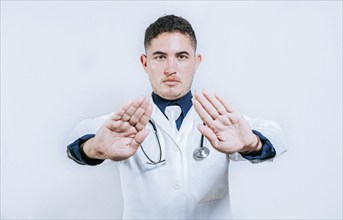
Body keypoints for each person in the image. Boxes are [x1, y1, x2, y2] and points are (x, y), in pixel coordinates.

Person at [66, 14, 286, 219]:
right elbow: (77, 138)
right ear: (145, 63)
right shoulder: (126, 122)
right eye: (160, 57)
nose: (170, 68)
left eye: (181, 56)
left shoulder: (218, 120)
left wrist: (253, 144)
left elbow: (275, 135)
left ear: (196, 62)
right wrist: (93, 148)